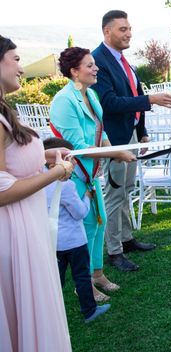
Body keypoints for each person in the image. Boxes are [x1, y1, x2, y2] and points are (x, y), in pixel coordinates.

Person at [0, 35, 75, 351]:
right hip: (13, 235)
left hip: (26, 229)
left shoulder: (4, 109)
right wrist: (56, 173)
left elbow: (14, 160)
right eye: (16, 59)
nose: (21, 67)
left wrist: (47, 157)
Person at [91, 10, 171, 272]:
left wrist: (142, 131)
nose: (128, 34)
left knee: (127, 190)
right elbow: (109, 103)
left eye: (129, 29)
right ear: (107, 31)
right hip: (114, 140)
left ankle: (127, 240)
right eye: (122, 29)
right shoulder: (98, 61)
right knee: (114, 194)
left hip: (131, 135)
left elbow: (135, 92)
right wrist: (152, 99)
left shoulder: (125, 61)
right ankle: (114, 250)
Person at [49, 47, 137, 301]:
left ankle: (98, 274)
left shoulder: (92, 96)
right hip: (73, 175)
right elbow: (76, 146)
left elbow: (103, 133)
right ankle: (84, 284)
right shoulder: (64, 101)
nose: (95, 68)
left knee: (100, 223)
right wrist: (117, 155)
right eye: (89, 65)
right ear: (74, 71)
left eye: (94, 64)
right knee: (85, 228)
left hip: (93, 173)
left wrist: (117, 150)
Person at [43, 137, 111, 324]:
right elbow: (80, 213)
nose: (73, 162)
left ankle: (48, 313)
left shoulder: (39, 181)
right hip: (74, 241)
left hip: (53, 241)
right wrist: (87, 197)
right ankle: (89, 310)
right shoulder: (67, 186)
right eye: (70, 158)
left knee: (56, 279)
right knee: (81, 276)